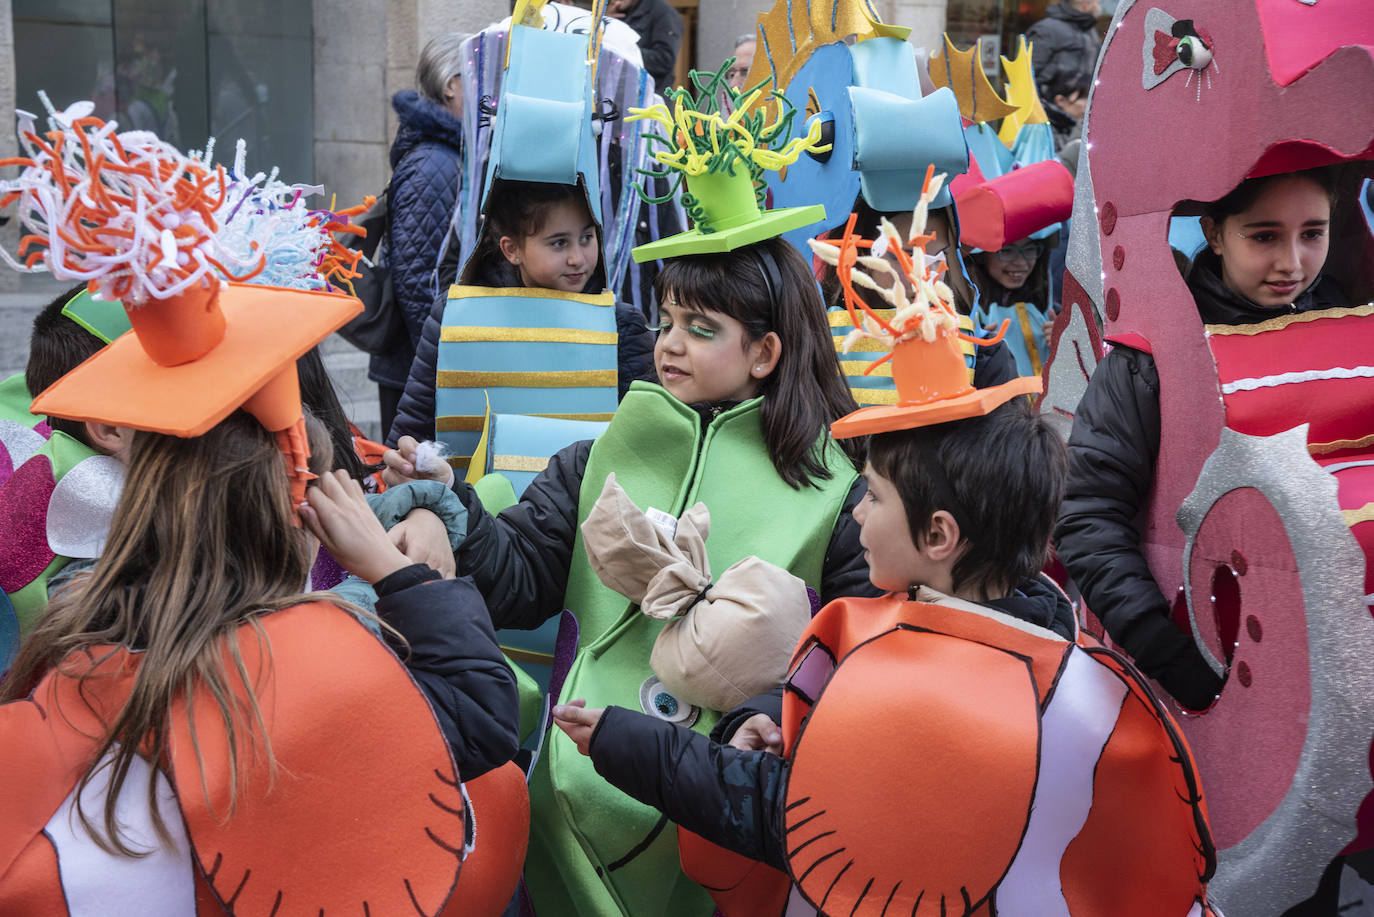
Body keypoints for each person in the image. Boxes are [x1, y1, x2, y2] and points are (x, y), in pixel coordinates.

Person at [553, 354, 1216, 916]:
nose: (857, 514)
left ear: (937, 535)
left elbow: (791, 816)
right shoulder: (1050, 638)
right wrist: (766, 718)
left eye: (872, 496)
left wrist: (624, 739)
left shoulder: (925, 691)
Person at [1055, 168, 1344, 711]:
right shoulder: (1150, 361)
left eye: (1313, 233)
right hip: (1200, 662)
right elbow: (1087, 516)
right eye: (1263, 236)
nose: (1292, 263)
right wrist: (1169, 654)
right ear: (1213, 233)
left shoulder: (1347, 325)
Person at [371, 32, 467, 439]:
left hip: (416, 368)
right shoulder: (436, 163)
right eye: (481, 78)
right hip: (416, 373)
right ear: (450, 86)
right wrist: (442, 367)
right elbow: (418, 281)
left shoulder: (445, 154)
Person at [965, 237, 1056, 376]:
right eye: (1007, 250)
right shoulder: (963, 313)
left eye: (1030, 249)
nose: (1020, 262)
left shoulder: (1054, 311)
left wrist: (1067, 348)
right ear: (981, 254)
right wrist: (970, 348)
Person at [1027, 0, 1103, 104]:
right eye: (1097, 4)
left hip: (1080, 113)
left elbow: (1097, 71)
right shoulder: (1045, 29)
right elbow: (1025, 76)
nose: (1099, 9)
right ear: (1086, 5)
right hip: (1047, 112)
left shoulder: (1090, 32)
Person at [606, 0, 683, 92]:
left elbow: (664, 60)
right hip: (616, 94)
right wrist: (605, 23)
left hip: (649, 97)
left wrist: (625, 53)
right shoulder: (613, 13)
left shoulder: (662, 12)